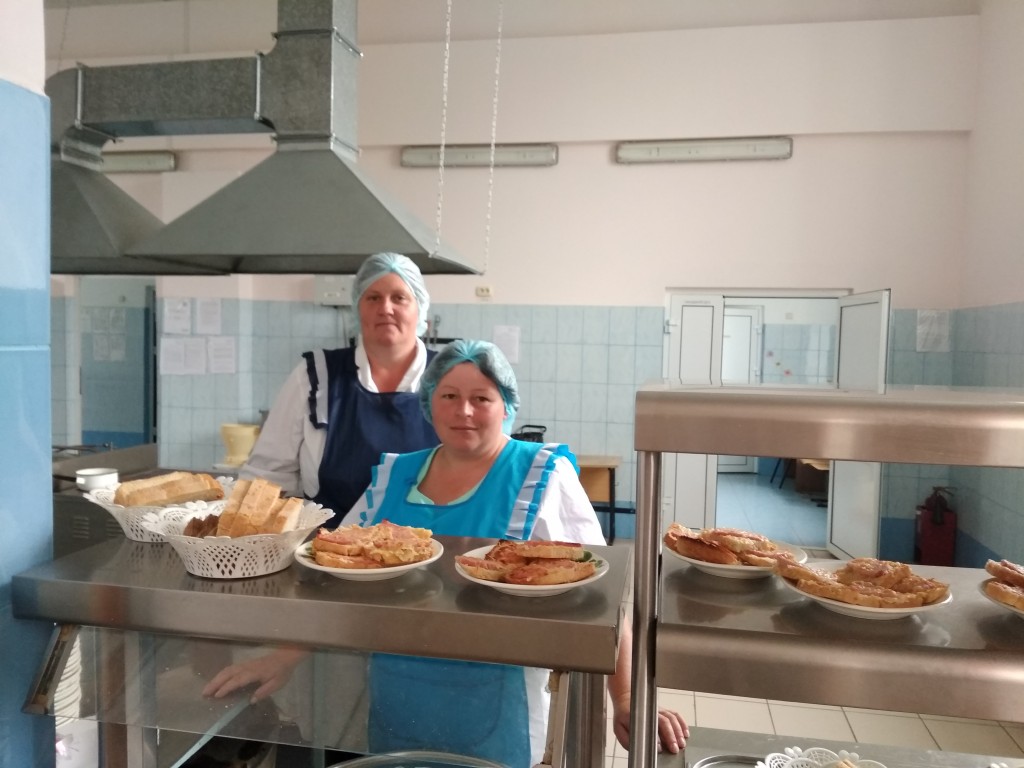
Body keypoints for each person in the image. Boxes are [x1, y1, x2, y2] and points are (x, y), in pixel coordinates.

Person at [206, 340, 688, 765]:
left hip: (499, 703)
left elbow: (603, 595)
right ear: (429, 402)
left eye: (482, 398)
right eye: (449, 396)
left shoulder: (539, 475)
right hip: (396, 696)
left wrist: (627, 696)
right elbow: (337, 581)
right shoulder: (394, 476)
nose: (464, 412)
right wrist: (283, 658)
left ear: (506, 405)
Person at [241, 251, 440, 522]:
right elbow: (266, 476)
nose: (385, 308)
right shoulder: (316, 376)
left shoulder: (449, 378)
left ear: (420, 308)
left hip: (432, 541)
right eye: (373, 298)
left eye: (399, 298)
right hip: (327, 543)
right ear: (357, 307)